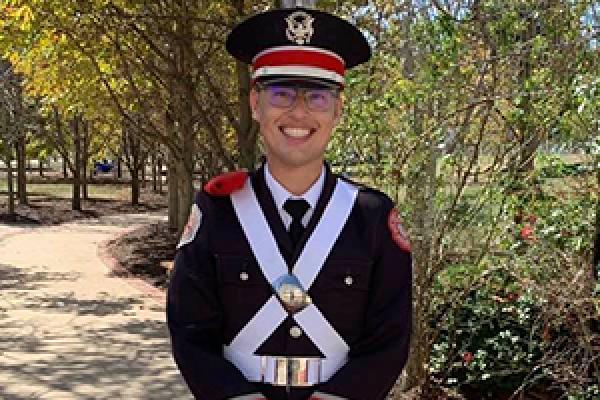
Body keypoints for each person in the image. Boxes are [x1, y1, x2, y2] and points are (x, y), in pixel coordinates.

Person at [167, 5, 412, 400]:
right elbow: (189, 329)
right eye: (281, 93)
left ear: (338, 109)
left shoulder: (372, 217)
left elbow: (391, 336)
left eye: (317, 96)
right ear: (255, 103)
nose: (298, 111)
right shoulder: (219, 211)